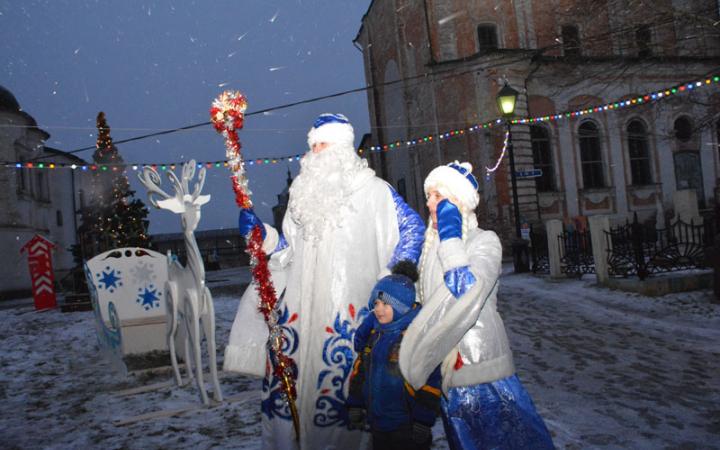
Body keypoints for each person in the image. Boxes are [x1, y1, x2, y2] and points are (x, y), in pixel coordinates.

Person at [224, 113, 425, 450]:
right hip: (299, 322)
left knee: (347, 410)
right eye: (311, 146)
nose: (314, 153)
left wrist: (393, 284)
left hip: (349, 317)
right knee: (293, 407)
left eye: (322, 145)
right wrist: (266, 236)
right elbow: (290, 249)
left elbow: (412, 231)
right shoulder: (301, 200)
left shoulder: (375, 192)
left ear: (343, 149)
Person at [398, 161, 555, 449]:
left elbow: (467, 290)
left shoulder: (485, 241)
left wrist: (451, 237)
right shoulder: (431, 250)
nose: (430, 204)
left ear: (456, 203)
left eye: (437, 197)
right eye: (429, 197)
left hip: (481, 366)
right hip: (445, 370)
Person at [346, 261, 441, 450]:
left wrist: (423, 420)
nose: (378, 309)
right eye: (376, 303)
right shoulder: (375, 336)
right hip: (378, 423)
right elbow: (360, 372)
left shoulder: (413, 339)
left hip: (407, 426)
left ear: (402, 307)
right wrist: (355, 403)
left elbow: (431, 381)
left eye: (386, 304)